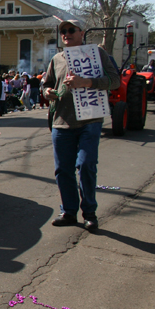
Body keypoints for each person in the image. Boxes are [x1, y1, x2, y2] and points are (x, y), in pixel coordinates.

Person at [43, 19, 120, 232]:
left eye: (71, 30)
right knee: (63, 170)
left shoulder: (97, 53)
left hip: (90, 120)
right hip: (61, 122)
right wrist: (47, 92)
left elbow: (115, 81)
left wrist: (86, 82)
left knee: (86, 165)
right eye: (63, 31)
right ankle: (68, 212)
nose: (66, 34)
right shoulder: (56, 59)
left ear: (81, 33)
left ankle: (90, 214)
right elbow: (46, 84)